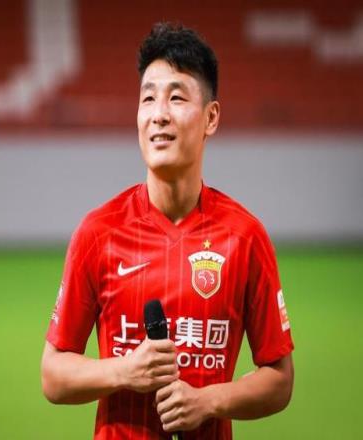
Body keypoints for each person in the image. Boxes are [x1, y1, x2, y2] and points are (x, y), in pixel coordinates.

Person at [41, 22, 294, 439]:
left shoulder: (245, 237)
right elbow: (53, 374)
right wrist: (125, 370)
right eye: (148, 98)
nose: (159, 113)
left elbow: (280, 379)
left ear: (211, 117)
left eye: (176, 97)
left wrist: (208, 401)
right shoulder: (98, 233)